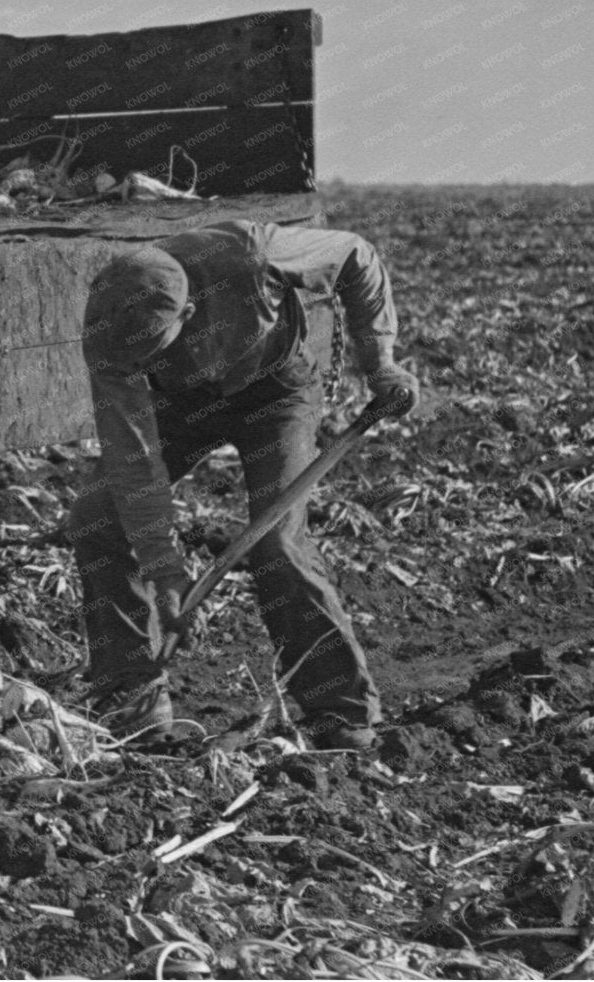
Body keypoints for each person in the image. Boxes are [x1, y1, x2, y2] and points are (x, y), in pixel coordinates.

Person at [68, 219, 419, 752]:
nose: (146, 365)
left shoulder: (249, 255)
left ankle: (340, 713)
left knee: (277, 542)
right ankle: (133, 699)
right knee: (98, 518)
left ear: (187, 314)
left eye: (157, 351)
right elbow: (132, 463)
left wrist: (381, 364)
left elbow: (357, 256)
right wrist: (165, 573)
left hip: (275, 391)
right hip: (183, 403)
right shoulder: (112, 331)